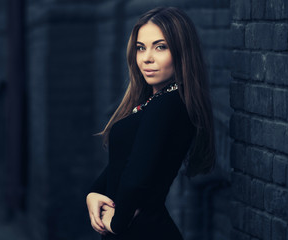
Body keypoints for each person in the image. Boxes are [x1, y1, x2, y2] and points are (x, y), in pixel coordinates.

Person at [86, 7, 216, 240]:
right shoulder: (155, 102)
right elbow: (124, 160)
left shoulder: (168, 104)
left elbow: (136, 176)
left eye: (160, 47)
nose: (147, 58)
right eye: (140, 48)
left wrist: (117, 223)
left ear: (181, 51)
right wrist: (94, 192)